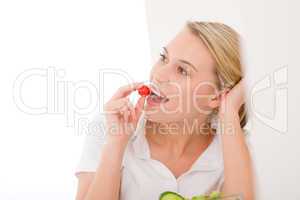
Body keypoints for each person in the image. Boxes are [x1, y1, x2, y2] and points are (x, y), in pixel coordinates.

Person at [75, 21, 255, 200]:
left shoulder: (236, 147)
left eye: (182, 71)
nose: (158, 75)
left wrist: (229, 109)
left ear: (215, 97)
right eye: (164, 58)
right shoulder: (108, 127)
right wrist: (116, 144)